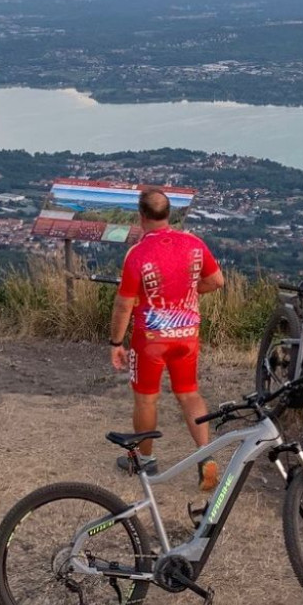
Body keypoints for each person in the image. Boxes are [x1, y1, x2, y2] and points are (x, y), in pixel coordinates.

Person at [108, 186, 225, 489]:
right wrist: (192, 291)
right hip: (187, 334)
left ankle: (144, 460)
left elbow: (124, 304)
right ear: (168, 213)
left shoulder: (138, 253)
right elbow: (216, 281)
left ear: (141, 216)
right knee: (189, 393)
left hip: (150, 339)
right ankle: (205, 455)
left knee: (147, 399)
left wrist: (116, 343)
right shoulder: (194, 244)